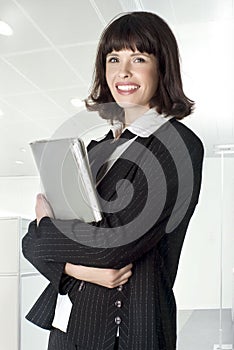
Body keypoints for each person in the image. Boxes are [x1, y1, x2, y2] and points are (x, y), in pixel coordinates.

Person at [22, 11, 204, 350]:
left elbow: (115, 243)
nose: (123, 72)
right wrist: (79, 270)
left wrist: (42, 226)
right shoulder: (95, 150)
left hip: (128, 334)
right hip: (69, 329)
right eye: (113, 58)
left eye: (138, 58)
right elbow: (34, 248)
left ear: (161, 66)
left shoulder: (178, 145)